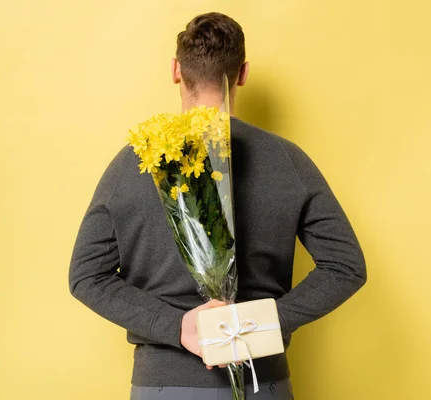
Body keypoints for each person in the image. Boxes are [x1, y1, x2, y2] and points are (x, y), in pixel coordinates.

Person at [68, 12, 367, 400]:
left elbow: (86, 276)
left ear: (176, 70)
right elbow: (346, 266)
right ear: (241, 73)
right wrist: (260, 324)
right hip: (265, 382)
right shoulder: (287, 160)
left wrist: (177, 326)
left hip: (163, 385)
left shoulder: (133, 162)